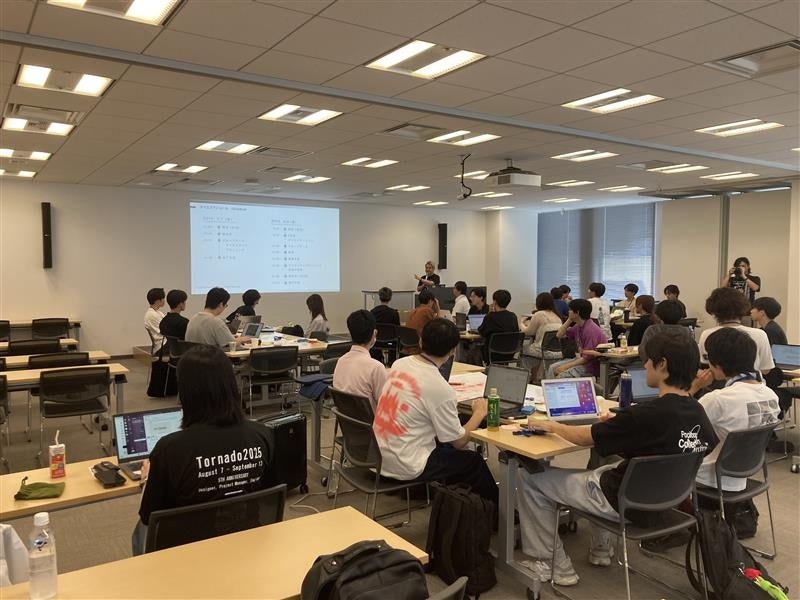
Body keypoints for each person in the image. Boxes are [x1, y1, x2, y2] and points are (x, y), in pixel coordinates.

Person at [516, 332, 717, 591]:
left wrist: (551, 426)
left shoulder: (643, 416)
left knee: (529, 479)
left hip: (622, 500)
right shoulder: (697, 411)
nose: (645, 366)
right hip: (665, 500)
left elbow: (584, 438)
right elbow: (683, 444)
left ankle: (553, 565)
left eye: (648, 360)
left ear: (662, 364)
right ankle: (601, 550)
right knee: (605, 464)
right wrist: (618, 426)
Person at [132, 345, 275, 555]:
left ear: (186, 392)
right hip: (248, 545)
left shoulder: (170, 449)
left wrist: (146, 479)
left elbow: (149, 516)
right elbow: (269, 497)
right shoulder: (263, 435)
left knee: (139, 532)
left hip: (188, 553)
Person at [373, 319, 498, 505]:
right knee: (473, 462)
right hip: (408, 463)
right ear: (452, 350)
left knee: (450, 435)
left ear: (420, 340)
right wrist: (479, 413)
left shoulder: (399, 364)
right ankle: (498, 513)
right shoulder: (440, 388)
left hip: (379, 455)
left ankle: (454, 500)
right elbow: (459, 442)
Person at [691, 328, 779, 492]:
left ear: (717, 365)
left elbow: (679, 423)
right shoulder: (772, 396)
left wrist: (695, 387)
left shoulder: (718, 399)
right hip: (744, 472)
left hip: (709, 477)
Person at [698, 288, 774, 375]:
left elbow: (705, 365)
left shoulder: (707, 334)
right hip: (751, 381)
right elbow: (766, 369)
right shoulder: (759, 334)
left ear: (713, 310)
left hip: (717, 382)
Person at [333, 310, 388, 409]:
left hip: (346, 418)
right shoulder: (376, 368)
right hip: (371, 419)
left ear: (349, 335)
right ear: (374, 333)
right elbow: (385, 407)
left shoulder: (340, 361)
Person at [546, 299, 607, 380]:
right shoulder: (579, 326)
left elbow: (587, 358)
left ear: (577, 312)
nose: (568, 312)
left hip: (592, 366)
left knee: (562, 375)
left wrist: (565, 367)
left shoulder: (591, 330)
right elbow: (559, 335)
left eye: (570, 310)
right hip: (581, 360)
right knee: (552, 368)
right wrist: (569, 319)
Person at [638, 299, 693, 364]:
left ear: (658, 316)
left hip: (656, 366)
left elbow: (643, 351)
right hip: (681, 367)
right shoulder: (687, 331)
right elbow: (691, 353)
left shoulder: (652, 330)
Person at [478, 289, 519, 364]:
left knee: (475, 347)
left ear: (495, 302)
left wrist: (489, 312)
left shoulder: (490, 317)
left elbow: (482, 332)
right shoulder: (513, 316)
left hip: (492, 354)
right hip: (510, 353)